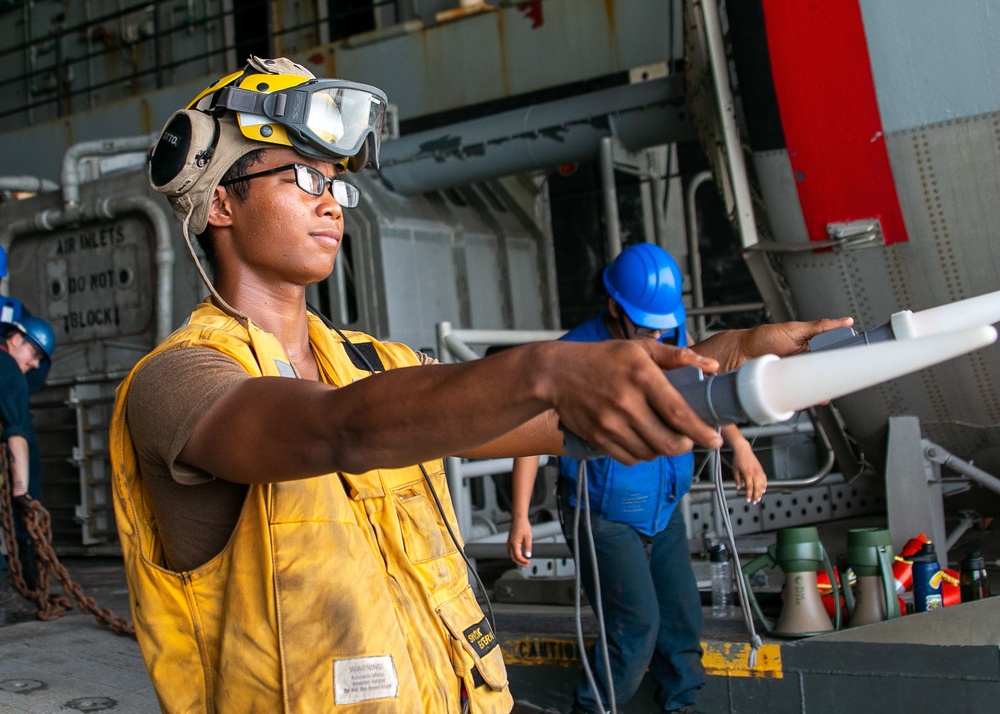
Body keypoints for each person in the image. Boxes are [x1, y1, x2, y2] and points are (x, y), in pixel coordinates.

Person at [109, 56, 852, 713]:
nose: (331, 200)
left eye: (336, 181)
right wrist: (546, 366)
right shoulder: (178, 381)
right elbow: (336, 428)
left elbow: (571, 422)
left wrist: (736, 358)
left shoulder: (374, 362)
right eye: (302, 176)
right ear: (219, 203)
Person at [506, 243, 768, 714]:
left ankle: (681, 706)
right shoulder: (573, 355)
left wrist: (740, 445)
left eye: (665, 325)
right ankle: (593, 710)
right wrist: (521, 515)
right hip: (603, 516)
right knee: (636, 627)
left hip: (663, 509)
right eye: (648, 326)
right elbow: (529, 436)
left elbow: (697, 392)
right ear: (614, 309)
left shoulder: (672, 335)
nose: (659, 335)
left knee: (681, 620)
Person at [0, 316, 56, 589]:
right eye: (34, 353)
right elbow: (17, 435)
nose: (35, 363)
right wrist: (21, 492)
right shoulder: (8, 369)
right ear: (15, 339)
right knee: (21, 532)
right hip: (15, 485)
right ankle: (26, 589)